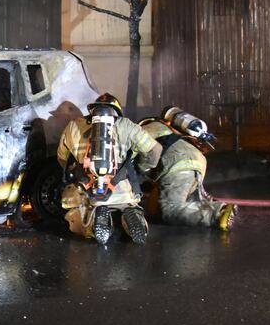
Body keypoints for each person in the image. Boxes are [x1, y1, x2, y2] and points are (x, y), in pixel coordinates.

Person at [57, 93, 162, 245]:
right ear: (116, 112)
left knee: (78, 216)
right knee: (131, 204)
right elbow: (155, 150)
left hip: (87, 190)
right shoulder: (126, 125)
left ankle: (93, 223)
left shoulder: (73, 126)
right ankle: (131, 214)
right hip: (122, 190)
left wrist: (78, 173)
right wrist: (141, 168)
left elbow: (62, 158)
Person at [140, 107, 236, 231]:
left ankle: (216, 215)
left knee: (170, 208)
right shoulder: (169, 128)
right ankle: (219, 207)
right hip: (198, 160)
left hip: (178, 163)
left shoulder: (141, 131)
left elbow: (142, 162)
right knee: (188, 201)